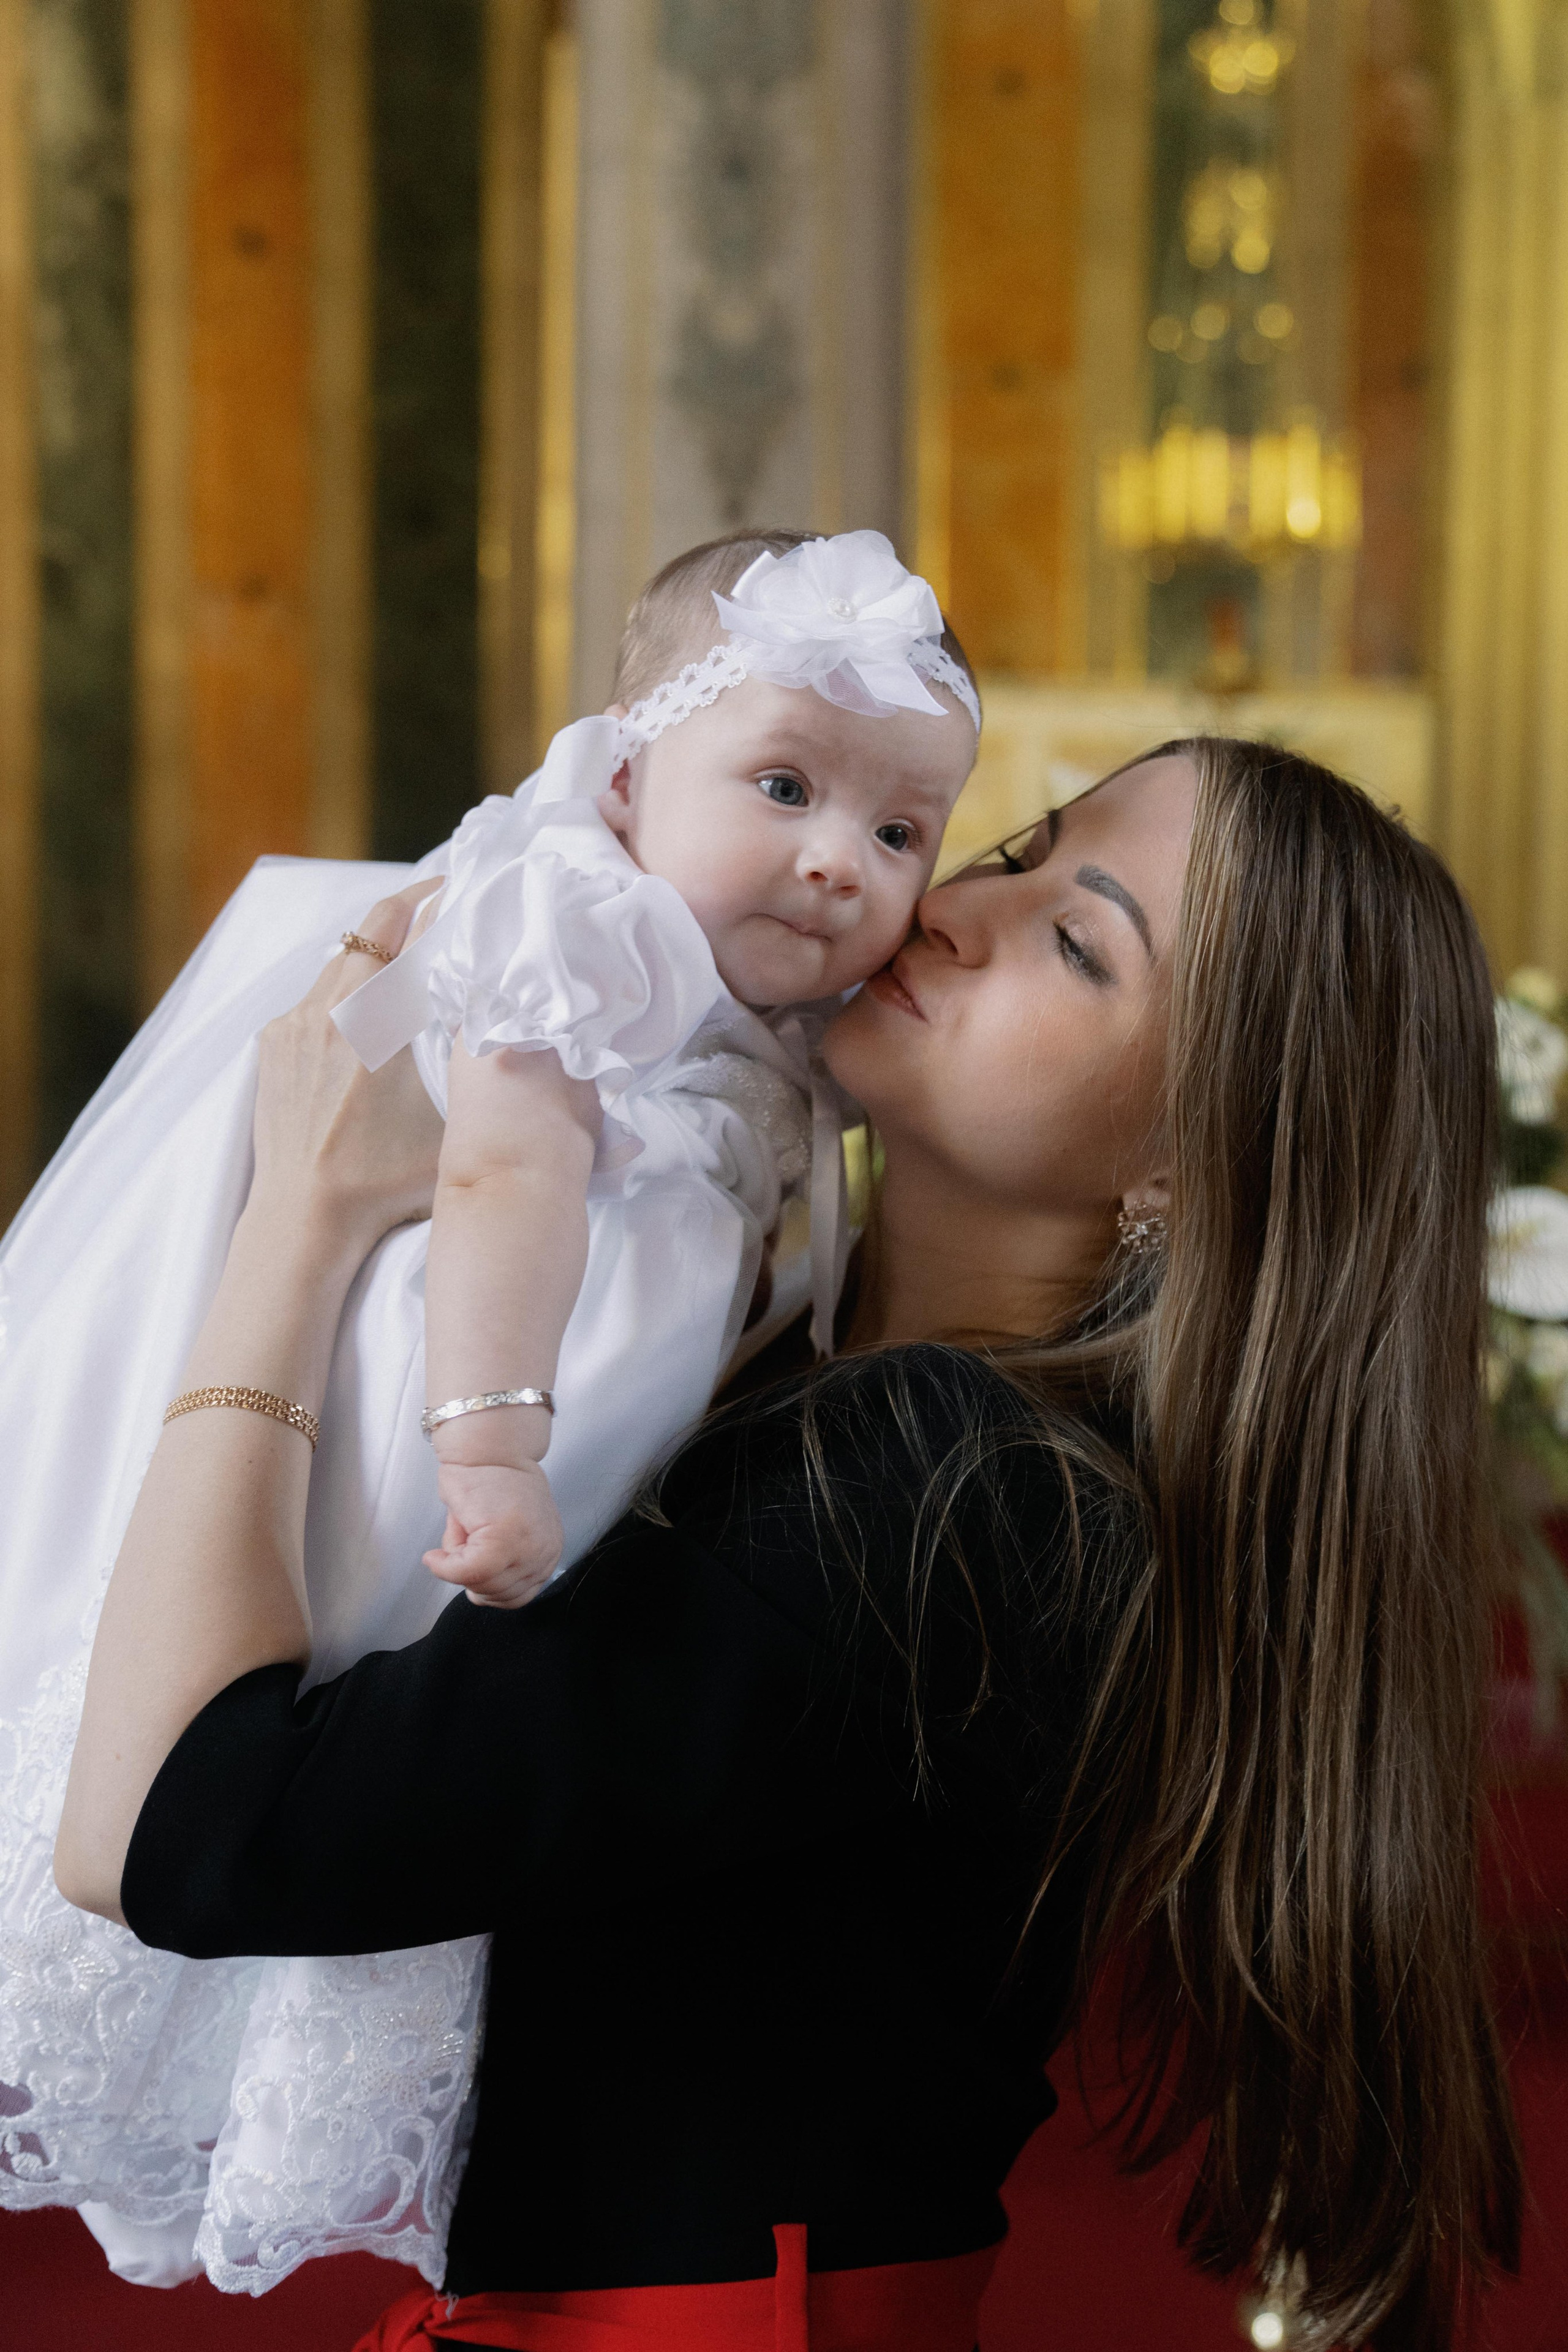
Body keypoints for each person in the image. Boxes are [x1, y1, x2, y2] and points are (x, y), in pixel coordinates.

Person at [55, 738, 1521, 2351]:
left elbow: (172, 1834)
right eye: (1024, 846)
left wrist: (306, 1217)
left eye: (1080, 942)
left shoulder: (953, 1496)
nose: (961, 909)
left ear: (1189, 1168)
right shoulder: (839, 1368)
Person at [0, 527, 978, 2290]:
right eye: (783, 786)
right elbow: (503, 1188)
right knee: (351, 1634)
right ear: (623, 773)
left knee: (403, 1759)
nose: (843, 863)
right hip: (470, 1358)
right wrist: (495, 1445)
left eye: (901, 835)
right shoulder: (573, 930)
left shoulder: (755, 977)